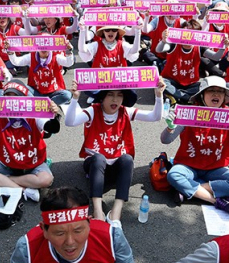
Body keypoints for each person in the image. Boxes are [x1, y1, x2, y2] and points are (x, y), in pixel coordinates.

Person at [0, 187, 165, 263]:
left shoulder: (111, 237)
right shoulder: (28, 246)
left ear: (90, 223)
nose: (70, 242)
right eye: (59, 233)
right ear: (44, 230)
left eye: (78, 231)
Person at [65, 79, 165, 226]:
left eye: (119, 95)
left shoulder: (125, 111)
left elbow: (155, 117)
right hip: (95, 165)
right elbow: (70, 122)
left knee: (127, 159)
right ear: (102, 97)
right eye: (110, 94)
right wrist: (74, 98)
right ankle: (98, 210)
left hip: (116, 166)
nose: (115, 99)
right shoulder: (93, 110)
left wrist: (158, 95)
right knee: (99, 158)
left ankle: (116, 211)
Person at [161, 76, 229, 216]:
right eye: (211, 91)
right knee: (174, 175)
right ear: (202, 95)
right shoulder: (189, 114)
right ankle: (215, 200)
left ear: (224, 96)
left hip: (216, 168)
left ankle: (189, 191)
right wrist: (170, 128)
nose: (216, 94)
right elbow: (166, 140)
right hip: (188, 165)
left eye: (220, 91)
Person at [0, 80, 62, 202]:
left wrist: (54, 115)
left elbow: (52, 128)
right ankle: (23, 190)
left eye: (16, 97)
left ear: (24, 99)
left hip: (33, 163)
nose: (11, 101)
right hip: (7, 163)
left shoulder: (34, 114)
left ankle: (3, 182)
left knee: (46, 180)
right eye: (7, 96)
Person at [8, 39, 75, 105]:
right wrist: (10, 51)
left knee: (67, 95)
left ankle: (43, 105)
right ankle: (44, 105)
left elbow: (69, 63)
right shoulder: (31, 56)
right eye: (41, 45)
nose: (43, 48)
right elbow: (16, 62)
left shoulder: (56, 57)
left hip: (53, 92)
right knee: (18, 86)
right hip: (36, 92)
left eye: (47, 45)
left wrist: (68, 51)